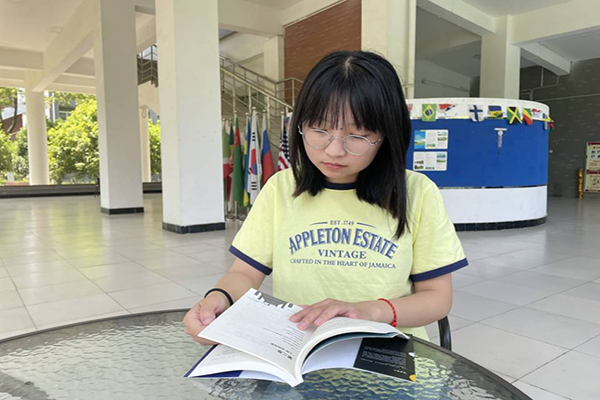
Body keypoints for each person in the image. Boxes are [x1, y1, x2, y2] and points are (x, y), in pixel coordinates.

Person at [184, 50, 467, 343]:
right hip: (298, 348)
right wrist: (218, 298)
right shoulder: (281, 187)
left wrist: (367, 311)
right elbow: (244, 274)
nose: (334, 150)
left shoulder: (418, 193)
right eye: (319, 129)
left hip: (386, 349)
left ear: (387, 135)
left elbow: (437, 297)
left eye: (357, 135)